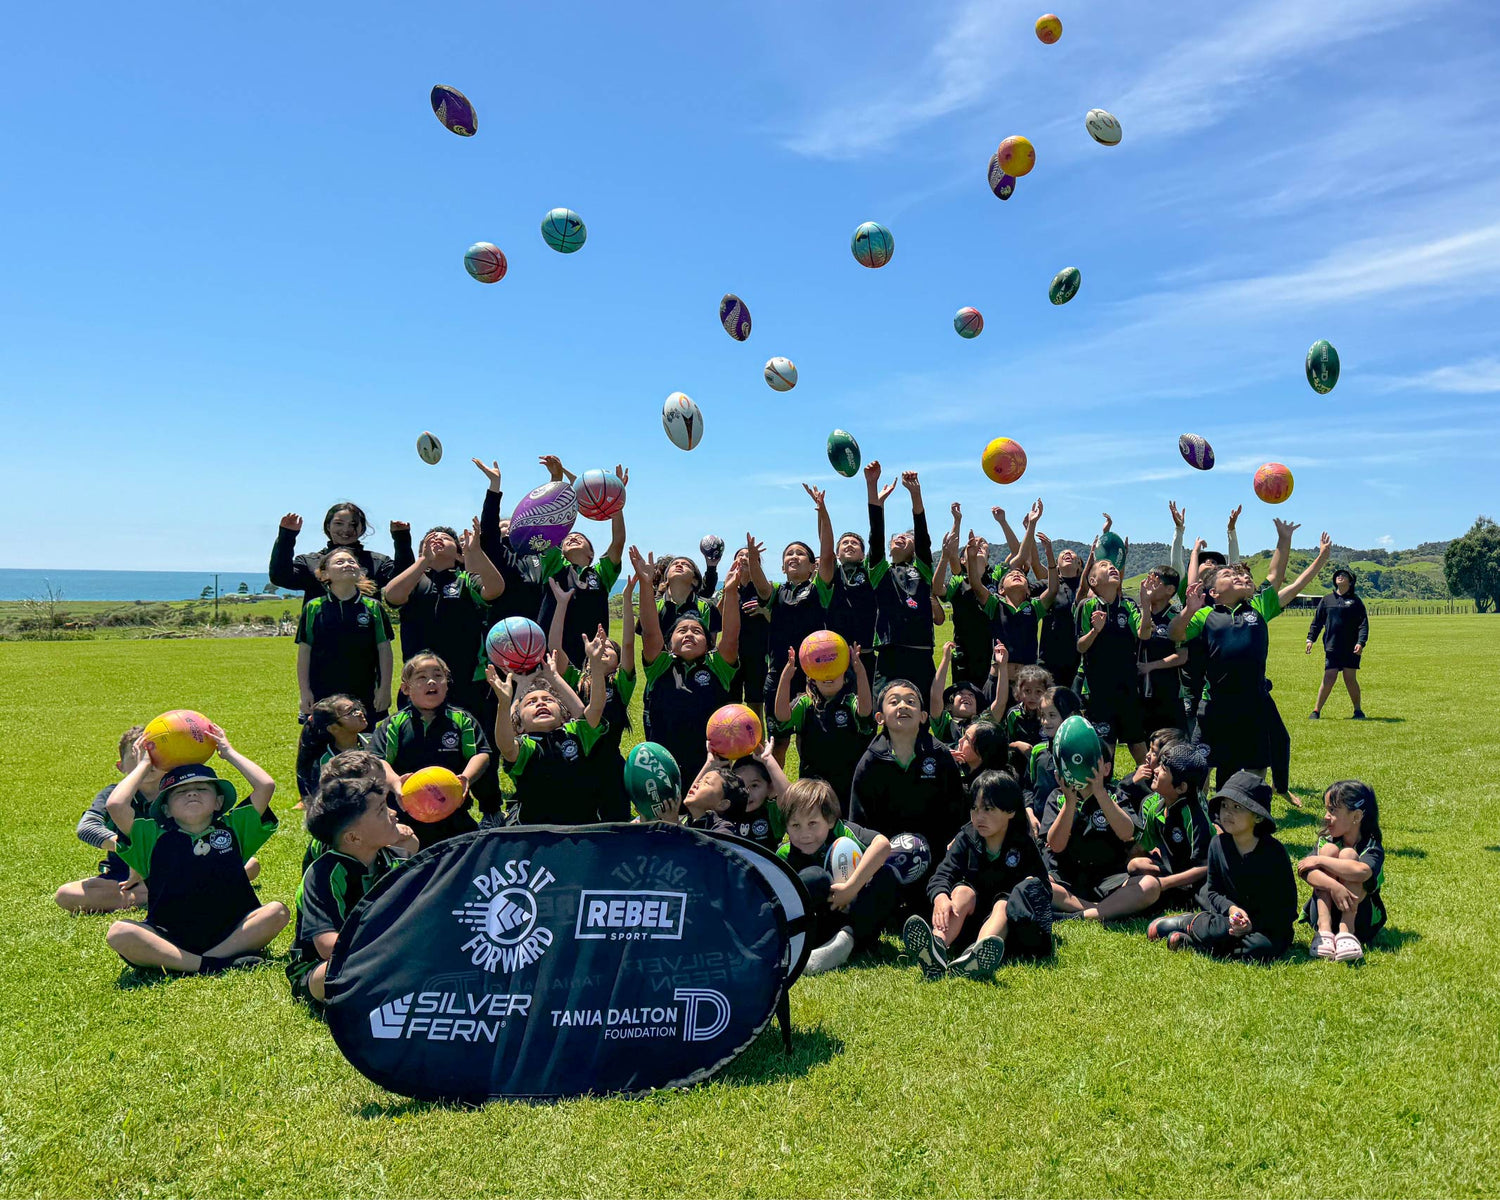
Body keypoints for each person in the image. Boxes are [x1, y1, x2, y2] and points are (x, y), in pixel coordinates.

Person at [105, 726, 286, 975]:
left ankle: (204, 960)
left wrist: (228, 752)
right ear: (165, 808)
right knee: (120, 932)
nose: (191, 792)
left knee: (277, 912)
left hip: (233, 929)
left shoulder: (235, 827)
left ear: (218, 801)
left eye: (202, 788)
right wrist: (144, 765)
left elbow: (265, 785)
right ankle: (208, 964)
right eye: (179, 791)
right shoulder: (151, 836)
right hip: (170, 935)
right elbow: (115, 805)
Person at [1171, 522, 1332, 785]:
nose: (1241, 579)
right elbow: (1175, 634)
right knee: (1203, 764)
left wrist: (1284, 539)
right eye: (1230, 577)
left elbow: (1276, 574)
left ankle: (1252, 808)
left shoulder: (1258, 607)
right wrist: (1188, 610)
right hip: (1215, 705)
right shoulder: (1205, 614)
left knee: (1256, 763)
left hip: (1253, 703)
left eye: (1244, 578)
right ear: (1214, 592)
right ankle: (1205, 813)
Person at [287, 751, 418, 1009]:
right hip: (325, 965)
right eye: (382, 810)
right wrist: (386, 948)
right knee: (328, 976)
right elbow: (326, 946)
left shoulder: (394, 860)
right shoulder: (323, 873)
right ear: (354, 838)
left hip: (383, 955)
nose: (393, 813)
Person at [903, 770, 1054, 981]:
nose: (978, 816)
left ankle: (976, 957)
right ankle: (936, 947)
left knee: (1003, 903)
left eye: (988, 809)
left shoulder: (1023, 845)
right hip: (966, 923)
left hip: (1004, 931)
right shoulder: (966, 838)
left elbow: (1043, 889)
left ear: (1010, 811)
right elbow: (942, 875)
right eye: (974, 808)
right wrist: (940, 897)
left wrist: (1028, 888)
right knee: (962, 891)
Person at [1149, 771, 1296, 963]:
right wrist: (1232, 909)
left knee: (1260, 949)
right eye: (1224, 805)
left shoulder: (1274, 853)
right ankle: (1190, 923)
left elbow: (1286, 907)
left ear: (1258, 816)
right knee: (1217, 928)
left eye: (1237, 807)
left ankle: (1195, 942)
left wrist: (1251, 925)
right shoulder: (1218, 844)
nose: (1227, 812)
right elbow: (1214, 892)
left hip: (1266, 925)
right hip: (1228, 918)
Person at [488, 627, 626, 826]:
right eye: (531, 702)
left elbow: (595, 707)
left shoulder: (577, 734)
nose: (541, 703)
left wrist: (590, 666)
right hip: (536, 834)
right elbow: (505, 744)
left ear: (564, 714)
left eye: (548, 699)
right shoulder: (525, 747)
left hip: (580, 829)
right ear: (519, 725)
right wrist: (507, 701)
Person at [632, 544, 744, 787]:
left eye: (697, 631)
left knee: (707, 804)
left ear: (709, 642)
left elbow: (732, 637)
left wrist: (732, 592)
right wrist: (644, 583)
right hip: (666, 753)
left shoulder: (718, 666)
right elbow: (651, 633)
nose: (689, 635)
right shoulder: (661, 664)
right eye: (681, 631)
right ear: (669, 643)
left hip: (707, 757)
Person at [849, 678, 968, 904]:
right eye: (894, 702)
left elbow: (956, 811)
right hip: (884, 859)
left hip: (935, 858)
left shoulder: (939, 756)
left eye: (911, 702)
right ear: (880, 717)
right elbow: (859, 822)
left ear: (923, 716)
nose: (903, 706)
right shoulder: (870, 763)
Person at [382, 519, 505, 717]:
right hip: (419, 678)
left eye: (446, 538)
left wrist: (476, 551)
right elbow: (392, 596)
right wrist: (423, 560)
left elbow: (494, 589)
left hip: (467, 679)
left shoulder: (465, 579)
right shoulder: (415, 580)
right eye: (431, 538)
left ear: (457, 553)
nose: (438, 538)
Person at [747, 484, 835, 762]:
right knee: (778, 743)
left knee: (809, 740)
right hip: (779, 673)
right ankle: (776, 797)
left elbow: (828, 552)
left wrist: (822, 513)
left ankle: (808, 792)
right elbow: (760, 586)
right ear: (783, 566)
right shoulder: (776, 592)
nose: (794, 556)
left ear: (813, 566)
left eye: (800, 554)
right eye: (789, 554)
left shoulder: (821, 588)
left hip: (815, 673)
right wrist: (752, 559)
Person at [777, 778, 898, 974]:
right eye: (795, 826)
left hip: (854, 919)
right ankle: (807, 947)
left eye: (813, 823)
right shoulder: (785, 854)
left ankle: (844, 944)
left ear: (830, 820)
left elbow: (882, 845)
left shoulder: (843, 830)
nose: (804, 834)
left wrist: (850, 889)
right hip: (817, 927)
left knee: (886, 875)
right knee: (815, 878)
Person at [373, 653, 491, 845]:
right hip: (406, 816)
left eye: (438, 675)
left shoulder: (462, 720)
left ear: (446, 683)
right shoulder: (393, 724)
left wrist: (465, 778)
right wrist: (397, 785)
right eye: (421, 677)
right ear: (405, 688)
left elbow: (480, 754)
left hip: (452, 812)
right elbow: (378, 759)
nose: (431, 681)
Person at [548, 574, 639, 814]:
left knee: (616, 825)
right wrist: (561, 604)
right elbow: (555, 648)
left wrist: (628, 598)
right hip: (575, 760)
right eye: (600, 646)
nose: (604, 648)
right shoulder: (576, 679)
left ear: (618, 662)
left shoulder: (620, 683)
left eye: (610, 648)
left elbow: (628, 644)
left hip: (610, 765)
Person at [1097, 742, 1213, 922]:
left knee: (1207, 900)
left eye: (1164, 769)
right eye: (1159, 765)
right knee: (1135, 865)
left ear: (1181, 788)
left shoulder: (1192, 815)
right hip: (1174, 871)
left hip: (1200, 878)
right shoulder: (1156, 807)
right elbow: (1143, 846)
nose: (1156, 770)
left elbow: (1205, 866)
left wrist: (1164, 883)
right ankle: (1168, 894)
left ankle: (1181, 901)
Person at [56, 725, 162, 914]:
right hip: (124, 877)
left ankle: (151, 892)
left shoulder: (178, 793)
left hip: (172, 869)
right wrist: (131, 850)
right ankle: (146, 895)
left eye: (153, 756)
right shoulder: (113, 794)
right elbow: (86, 828)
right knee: (66, 894)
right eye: (136, 756)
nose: (147, 763)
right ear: (120, 766)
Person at [534, 464, 628, 666]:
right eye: (568, 538)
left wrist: (616, 501)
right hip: (551, 654)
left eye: (579, 537)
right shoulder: (554, 566)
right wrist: (556, 480)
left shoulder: (601, 573)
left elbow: (618, 541)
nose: (572, 537)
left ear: (591, 553)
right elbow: (549, 524)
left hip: (589, 655)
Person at [773, 640, 873, 815]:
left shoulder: (849, 701)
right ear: (812, 677)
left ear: (846, 676)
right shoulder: (805, 703)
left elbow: (865, 711)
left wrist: (860, 672)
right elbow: (782, 715)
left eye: (836, 671)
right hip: (813, 784)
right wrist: (786, 677)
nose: (829, 676)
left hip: (847, 782)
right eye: (822, 671)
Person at [295, 548, 392, 723]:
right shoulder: (313, 607)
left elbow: (384, 649)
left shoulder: (373, 607)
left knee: (365, 742)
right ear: (324, 574)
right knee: (323, 741)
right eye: (340, 562)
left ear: (360, 572)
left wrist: (384, 688)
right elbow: (304, 652)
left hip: (364, 690)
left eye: (352, 562)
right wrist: (305, 691)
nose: (347, 564)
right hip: (322, 691)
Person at [865, 468, 938, 698]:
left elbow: (923, 537)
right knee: (888, 712)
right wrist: (872, 488)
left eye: (909, 538)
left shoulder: (923, 571)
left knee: (922, 713)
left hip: (921, 651)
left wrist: (915, 495)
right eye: (898, 536)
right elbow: (875, 537)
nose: (903, 537)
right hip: (890, 652)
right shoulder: (880, 572)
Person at [1073, 557, 1152, 767]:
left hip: (1127, 688)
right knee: (1104, 747)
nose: (1112, 568)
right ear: (1093, 581)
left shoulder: (1128, 605)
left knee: (1137, 742)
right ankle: (1103, 792)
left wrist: (1146, 604)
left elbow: (1144, 634)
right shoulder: (1087, 606)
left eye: (1113, 566)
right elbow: (1080, 646)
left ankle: (1152, 790)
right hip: (1098, 691)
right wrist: (1095, 631)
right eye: (1104, 566)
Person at [1297, 780, 1386, 962]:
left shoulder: (1371, 847)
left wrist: (1320, 860)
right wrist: (1334, 886)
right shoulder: (1327, 841)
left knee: (1348, 855)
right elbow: (1305, 870)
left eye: (1333, 811)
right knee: (1330, 851)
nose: (1326, 816)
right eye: (1327, 810)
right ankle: (1324, 930)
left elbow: (1362, 872)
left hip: (1361, 917)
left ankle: (1347, 931)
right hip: (1324, 912)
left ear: (1356, 816)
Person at [820, 462, 891, 685]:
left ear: (863, 555)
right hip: (835, 656)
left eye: (855, 543)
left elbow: (877, 540)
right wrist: (821, 511)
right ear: (837, 553)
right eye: (844, 543)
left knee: (866, 713)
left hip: (867, 654)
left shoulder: (869, 572)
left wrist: (872, 489)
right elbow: (824, 547)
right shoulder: (831, 574)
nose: (849, 545)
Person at [1044, 755, 1137, 917]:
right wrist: (1069, 802)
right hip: (1066, 878)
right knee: (1037, 884)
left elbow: (1127, 834)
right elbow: (1056, 845)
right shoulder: (1057, 797)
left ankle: (1080, 911)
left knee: (1149, 885)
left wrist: (1100, 793)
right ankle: (1098, 910)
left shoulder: (1115, 795)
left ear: (1106, 768)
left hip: (1109, 878)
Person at [271, 503, 412, 602]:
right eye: (339, 523)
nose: (346, 529)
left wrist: (402, 539)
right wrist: (287, 536)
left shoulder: (377, 562)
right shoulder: (310, 562)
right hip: (321, 641)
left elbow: (405, 580)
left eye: (353, 524)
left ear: (362, 528)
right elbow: (280, 577)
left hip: (368, 641)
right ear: (328, 526)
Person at [1307, 568, 1369, 719]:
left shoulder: (1355, 601)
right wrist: (1310, 639)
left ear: (1350, 581)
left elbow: (1363, 624)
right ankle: (1316, 711)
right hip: (1332, 645)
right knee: (1329, 676)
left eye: (1344, 575)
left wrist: (1361, 642)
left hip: (1351, 647)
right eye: (1338, 575)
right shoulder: (1327, 600)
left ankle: (1358, 710)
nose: (1340, 577)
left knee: (1350, 678)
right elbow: (1317, 622)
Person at [1025, 685, 1085, 830]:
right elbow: (1027, 788)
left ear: (1070, 716)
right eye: (1043, 716)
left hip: (1073, 828)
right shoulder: (1038, 752)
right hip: (1040, 828)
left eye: (1052, 716)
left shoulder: (1084, 753)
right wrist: (1030, 813)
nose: (1045, 722)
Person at [1137, 565, 1187, 734]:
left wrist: (1151, 666)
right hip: (1140, 691)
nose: (1148, 585)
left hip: (1168, 692)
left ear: (1170, 589)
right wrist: (1145, 606)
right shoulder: (1138, 613)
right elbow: (1141, 636)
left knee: (1172, 743)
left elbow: (1182, 656)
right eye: (1147, 580)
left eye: (1154, 582)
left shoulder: (1176, 617)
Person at [294, 694, 369, 807]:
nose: (359, 713)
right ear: (333, 728)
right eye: (350, 712)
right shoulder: (325, 762)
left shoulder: (374, 741)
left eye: (356, 708)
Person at [929, 640, 1006, 748]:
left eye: (971, 695)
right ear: (949, 706)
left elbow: (1000, 702)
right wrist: (946, 660)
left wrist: (1002, 666)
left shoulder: (982, 722)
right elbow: (935, 698)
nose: (966, 696)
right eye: (960, 693)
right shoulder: (944, 724)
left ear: (977, 708)